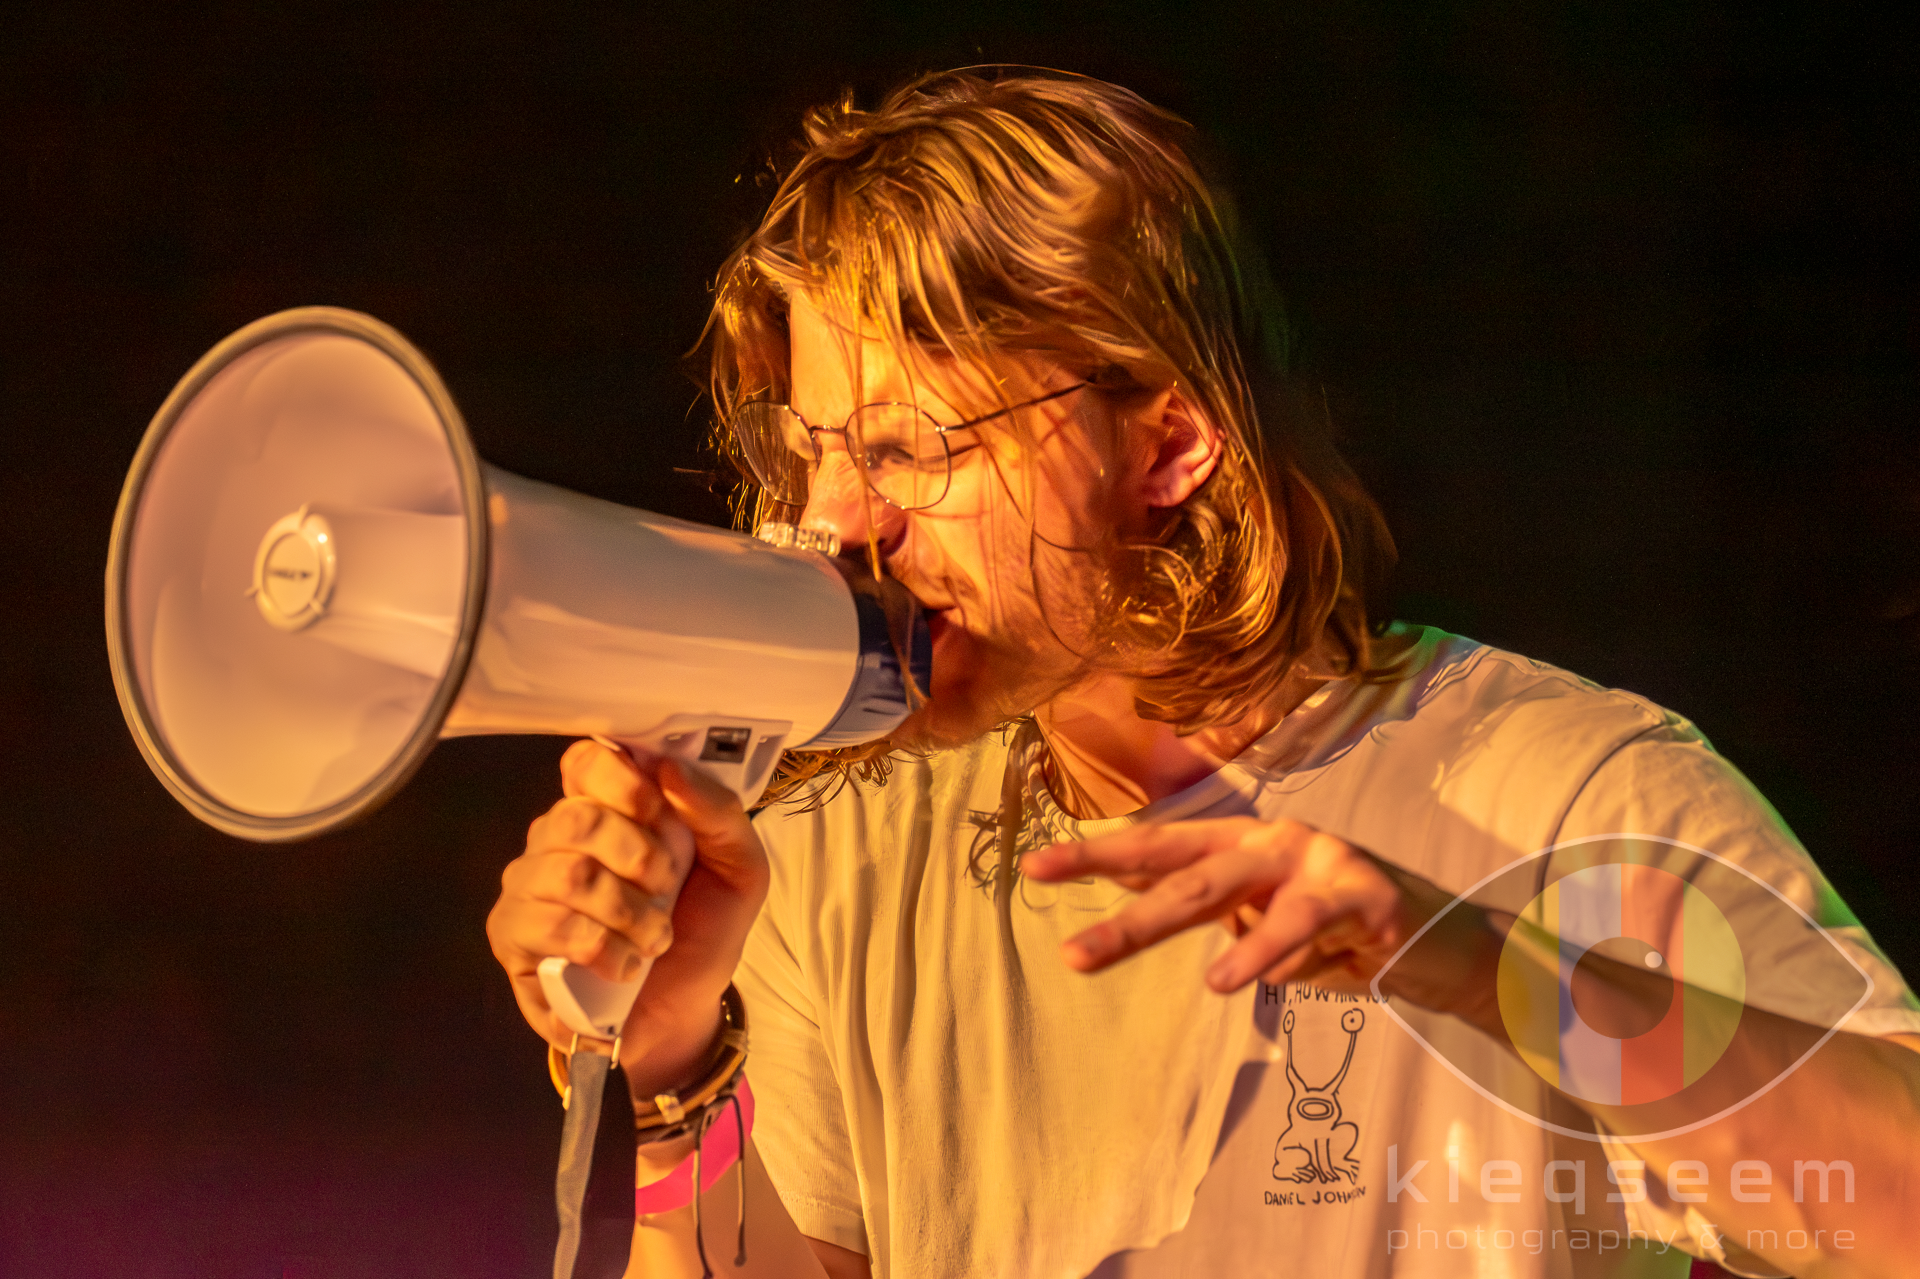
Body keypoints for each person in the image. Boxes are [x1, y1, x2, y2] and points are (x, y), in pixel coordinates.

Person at [485, 69, 1920, 1278]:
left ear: (1168, 443)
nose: (841, 521)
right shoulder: (828, 859)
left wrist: (1481, 964)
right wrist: (677, 1073)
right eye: (814, 453)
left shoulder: (1565, 789)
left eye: (913, 449)